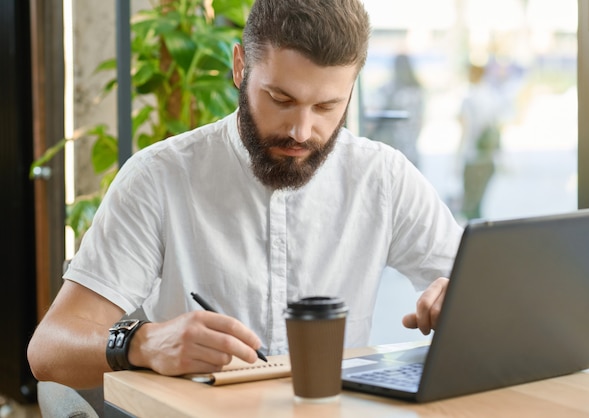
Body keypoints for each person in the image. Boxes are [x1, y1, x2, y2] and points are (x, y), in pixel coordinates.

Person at [28, 0, 463, 389]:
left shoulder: (382, 176)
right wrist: (142, 343)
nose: (301, 131)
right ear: (240, 67)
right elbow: (48, 350)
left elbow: (491, 297)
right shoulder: (158, 177)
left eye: (327, 106)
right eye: (280, 98)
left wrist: (462, 303)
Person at [457, 63, 503, 220]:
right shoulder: (492, 96)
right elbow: (498, 126)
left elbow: (465, 130)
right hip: (488, 158)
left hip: (473, 157)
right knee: (478, 205)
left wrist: (457, 157)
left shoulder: (469, 99)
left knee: (469, 206)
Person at [366, 53, 424, 167]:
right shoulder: (417, 91)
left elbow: (375, 114)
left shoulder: (388, 89)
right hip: (412, 150)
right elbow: (420, 121)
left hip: (393, 150)